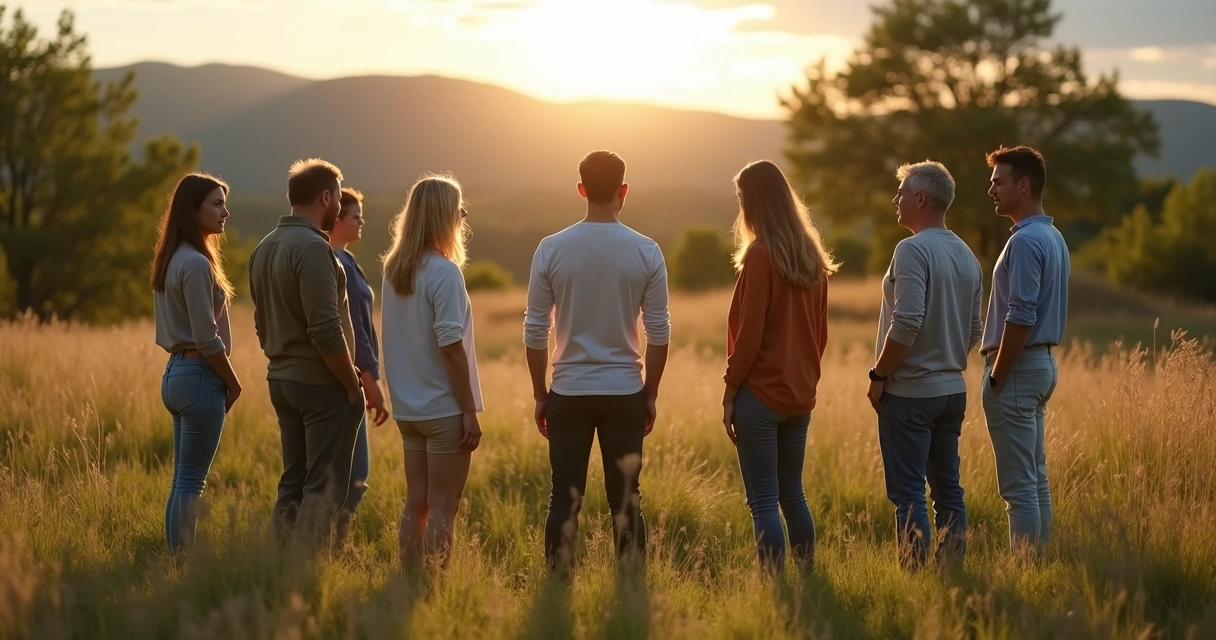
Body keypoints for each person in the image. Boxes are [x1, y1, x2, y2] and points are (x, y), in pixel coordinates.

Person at [524, 150, 670, 579]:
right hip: (625, 393)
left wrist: (541, 394)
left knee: (563, 499)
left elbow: (535, 330)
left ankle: (558, 586)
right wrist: (650, 393)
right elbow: (659, 332)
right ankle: (630, 588)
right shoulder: (647, 251)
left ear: (581, 189)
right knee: (626, 499)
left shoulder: (551, 249)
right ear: (624, 191)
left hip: (568, 392)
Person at [721, 159, 836, 574]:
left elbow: (749, 336)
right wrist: (803, 378)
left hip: (760, 397)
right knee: (794, 496)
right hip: (799, 396)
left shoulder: (760, 256)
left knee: (764, 502)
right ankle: (807, 578)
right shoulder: (812, 257)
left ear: (753, 202)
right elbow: (820, 335)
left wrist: (730, 391)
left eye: (741, 198)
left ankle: (774, 587)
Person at [867, 161, 983, 567]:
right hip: (952, 391)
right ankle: (952, 572)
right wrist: (945, 357)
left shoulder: (911, 249)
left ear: (921, 198)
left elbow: (906, 322)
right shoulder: (967, 254)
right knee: (949, 490)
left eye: (900, 193)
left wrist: (879, 374)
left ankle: (914, 579)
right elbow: (974, 330)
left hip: (910, 394)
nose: (894, 200)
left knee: (909, 493)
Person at [249, 158, 364, 550]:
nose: (339, 207)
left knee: (293, 483)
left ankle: (278, 564)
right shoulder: (314, 249)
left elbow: (260, 323)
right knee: (323, 488)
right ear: (325, 198)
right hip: (319, 384)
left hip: (281, 379)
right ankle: (305, 569)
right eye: (339, 198)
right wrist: (351, 385)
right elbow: (326, 330)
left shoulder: (264, 247)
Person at [380, 174, 483, 568]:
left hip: (408, 410)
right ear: (443, 215)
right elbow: (451, 346)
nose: (463, 215)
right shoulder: (445, 272)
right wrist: (469, 409)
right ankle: (436, 584)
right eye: (459, 209)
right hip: (443, 408)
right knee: (444, 504)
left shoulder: (394, 270)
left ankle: (410, 578)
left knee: (416, 502)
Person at [981, 145, 1069, 554]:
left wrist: (997, 377)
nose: (991, 190)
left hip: (1017, 369)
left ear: (1024, 185)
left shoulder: (1026, 241)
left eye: (998, 182)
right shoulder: (1052, 237)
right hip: (1041, 364)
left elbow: (1020, 316)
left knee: (1018, 488)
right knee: (1035, 479)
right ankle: (1042, 563)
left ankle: (1026, 569)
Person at [151, 172, 243, 553]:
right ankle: (183, 563)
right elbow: (207, 339)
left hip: (176, 374)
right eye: (217, 204)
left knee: (182, 480)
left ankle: (176, 560)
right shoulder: (196, 264)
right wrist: (233, 383)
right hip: (199, 376)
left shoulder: (173, 259)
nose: (225, 212)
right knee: (191, 483)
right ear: (193, 210)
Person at [328, 187, 389, 535]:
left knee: (347, 474)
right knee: (354, 476)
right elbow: (355, 332)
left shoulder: (349, 260)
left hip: (352, 376)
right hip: (350, 377)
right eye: (355, 216)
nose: (361, 221)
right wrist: (371, 381)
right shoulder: (337, 263)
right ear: (337, 219)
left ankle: (331, 543)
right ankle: (332, 544)